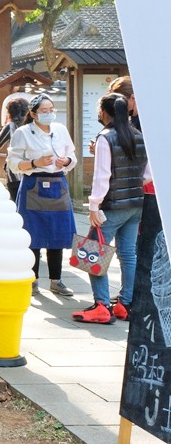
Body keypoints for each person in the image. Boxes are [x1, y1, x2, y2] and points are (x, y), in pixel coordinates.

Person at [73, 92, 151, 324]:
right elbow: (147, 175)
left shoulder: (105, 138)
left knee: (94, 252)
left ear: (105, 112)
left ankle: (101, 306)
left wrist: (94, 206)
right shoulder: (138, 135)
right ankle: (125, 304)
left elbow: (102, 176)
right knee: (128, 254)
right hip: (137, 204)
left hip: (111, 207)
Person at [7, 93, 77, 297]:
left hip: (58, 183)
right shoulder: (23, 132)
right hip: (33, 183)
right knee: (32, 234)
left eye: (51, 110)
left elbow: (72, 155)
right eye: (44, 111)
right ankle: (32, 280)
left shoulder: (61, 130)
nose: (48, 114)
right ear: (33, 114)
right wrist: (35, 163)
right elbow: (13, 162)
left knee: (58, 232)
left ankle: (57, 280)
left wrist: (66, 162)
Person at [0, 97, 31, 201]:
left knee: (17, 205)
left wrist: (4, 125)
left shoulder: (11, 126)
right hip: (33, 172)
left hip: (15, 175)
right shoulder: (33, 126)